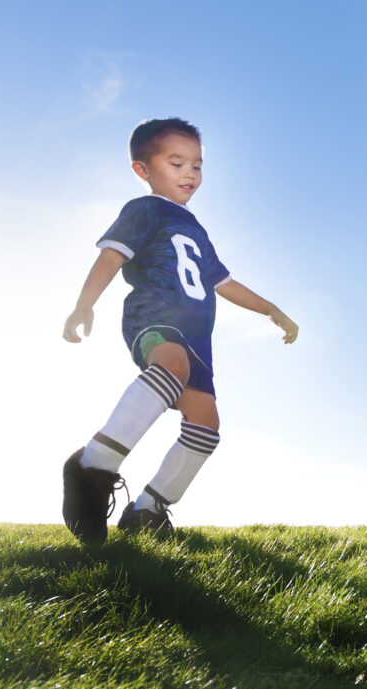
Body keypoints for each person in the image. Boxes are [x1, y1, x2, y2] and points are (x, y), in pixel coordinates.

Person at [62, 117, 299, 543]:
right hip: (154, 314)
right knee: (169, 366)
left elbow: (224, 284)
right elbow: (112, 258)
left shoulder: (196, 230)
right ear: (143, 170)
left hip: (197, 336)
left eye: (198, 165)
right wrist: (84, 304)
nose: (190, 172)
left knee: (206, 424)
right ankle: (91, 468)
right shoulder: (144, 209)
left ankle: (148, 510)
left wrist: (271, 309)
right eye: (177, 162)